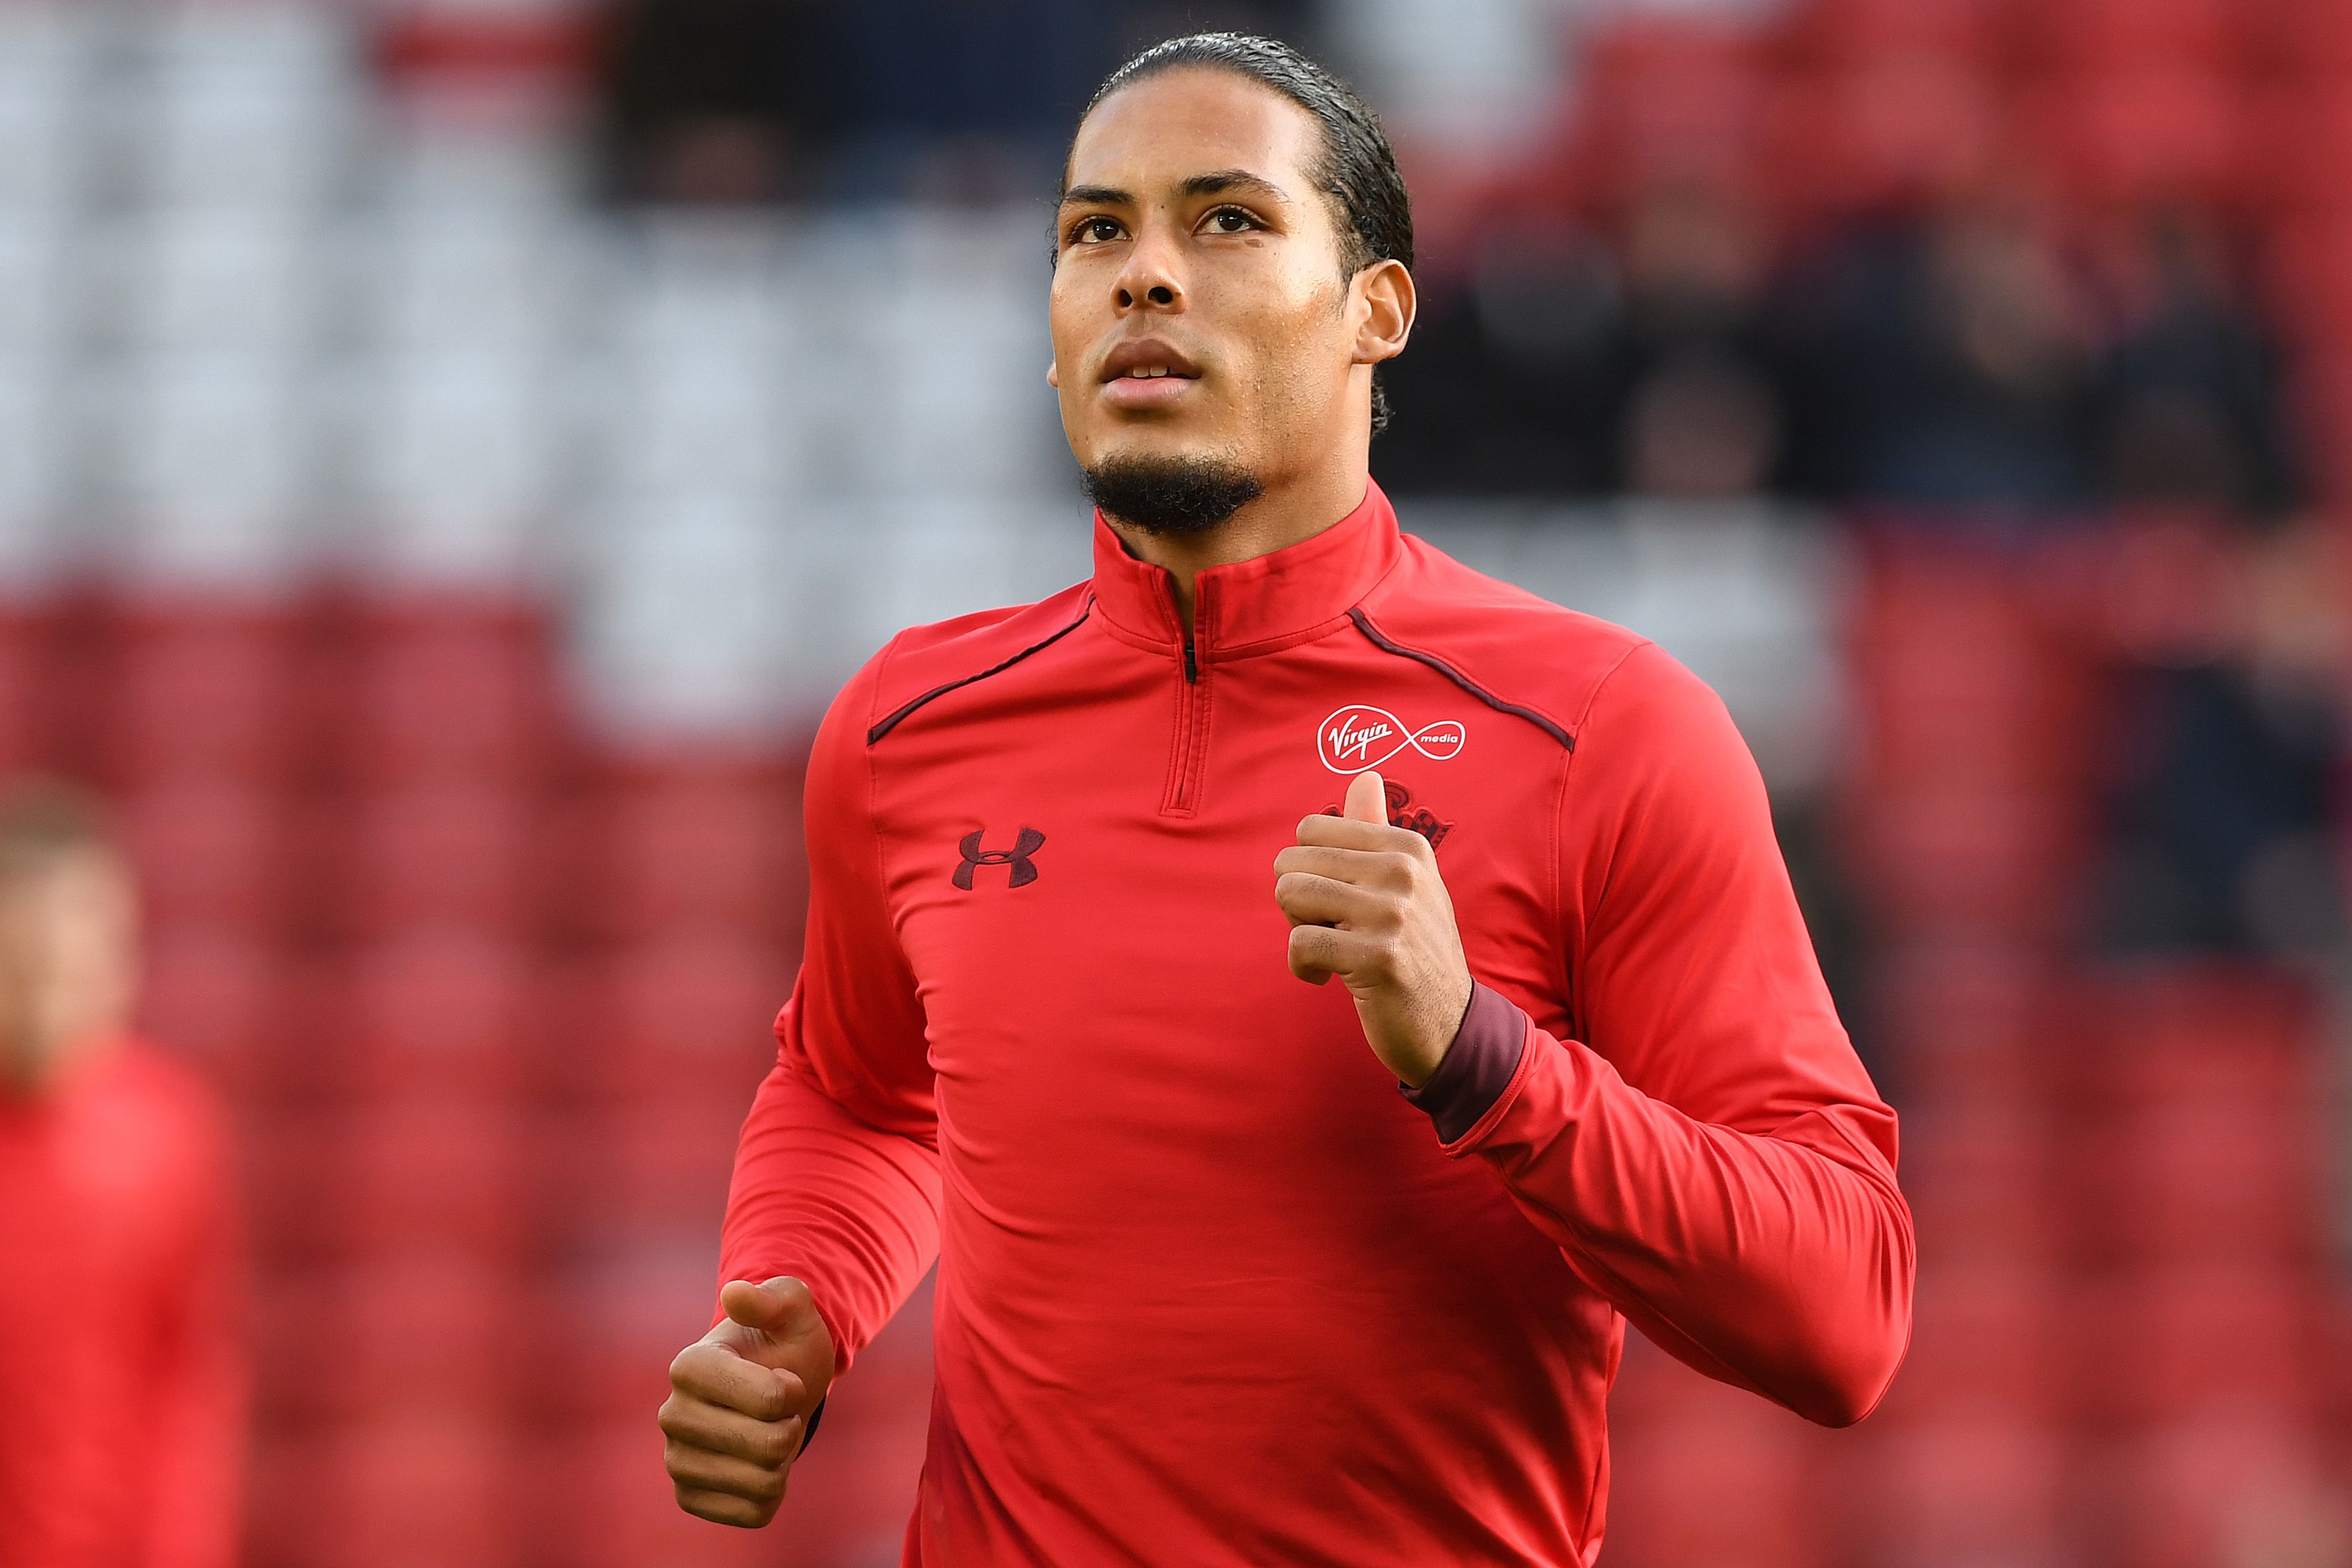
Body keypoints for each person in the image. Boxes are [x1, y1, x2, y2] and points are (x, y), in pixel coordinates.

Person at [660, 33, 1913, 1564]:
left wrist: (1483, 1063)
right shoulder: (908, 724)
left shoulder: (1603, 729)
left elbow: (1842, 1317)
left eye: (1227, 220)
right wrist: (803, 1297)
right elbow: (859, 1090)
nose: (1141, 275)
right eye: (1093, 232)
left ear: (1375, 310)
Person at [0, 779, 245, 1568]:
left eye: (82, 962)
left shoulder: (167, 1131)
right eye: (28, 964)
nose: (53, 996)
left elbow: (186, 1378)